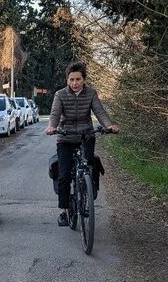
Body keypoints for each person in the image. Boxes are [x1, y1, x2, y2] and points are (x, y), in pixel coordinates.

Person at [45, 61, 119, 227]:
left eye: (78, 79)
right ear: (67, 80)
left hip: (86, 135)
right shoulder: (60, 95)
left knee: (90, 167)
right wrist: (52, 127)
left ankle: (87, 198)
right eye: (71, 79)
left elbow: (100, 111)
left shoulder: (91, 94)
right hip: (66, 137)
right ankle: (63, 211)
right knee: (64, 175)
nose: (74, 83)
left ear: (83, 80)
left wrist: (109, 125)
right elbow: (55, 113)